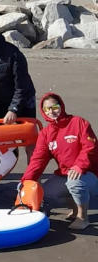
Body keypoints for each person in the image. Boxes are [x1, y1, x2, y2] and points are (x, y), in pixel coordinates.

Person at [21, 92, 98, 231]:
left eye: (54, 107)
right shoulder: (46, 133)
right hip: (66, 173)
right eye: (47, 109)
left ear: (61, 106)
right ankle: (75, 210)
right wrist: (25, 180)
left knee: (74, 182)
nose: (51, 111)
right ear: (43, 111)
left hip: (90, 173)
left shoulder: (79, 122)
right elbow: (38, 159)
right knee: (47, 192)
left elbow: (90, 147)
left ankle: (82, 217)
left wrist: (80, 166)